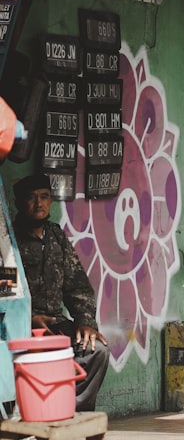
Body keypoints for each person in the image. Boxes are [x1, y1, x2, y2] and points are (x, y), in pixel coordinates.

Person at [12, 173, 109, 411]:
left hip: (55, 324)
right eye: (31, 198)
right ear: (18, 203)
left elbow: (77, 285)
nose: (39, 204)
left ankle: (69, 409)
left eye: (44, 197)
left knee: (96, 351)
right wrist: (29, 317)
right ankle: (37, 410)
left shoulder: (56, 236)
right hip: (19, 326)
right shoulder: (9, 240)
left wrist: (86, 322)